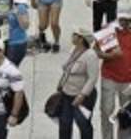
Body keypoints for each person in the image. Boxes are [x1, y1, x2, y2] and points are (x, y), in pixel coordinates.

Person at [56, 27, 100, 139]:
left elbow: (92, 78)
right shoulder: (73, 50)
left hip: (83, 98)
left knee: (83, 124)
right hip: (67, 93)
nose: (72, 36)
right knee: (64, 123)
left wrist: (82, 95)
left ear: (81, 39)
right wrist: (61, 84)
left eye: (75, 35)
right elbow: (67, 69)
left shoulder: (91, 55)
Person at [98, 10, 131, 139]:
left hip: (128, 80)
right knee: (106, 111)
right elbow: (97, 52)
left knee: (126, 113)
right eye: (122, 19)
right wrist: (111, 55)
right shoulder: (108, 32)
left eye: (127, 20)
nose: (124, 23)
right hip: (109, 77)